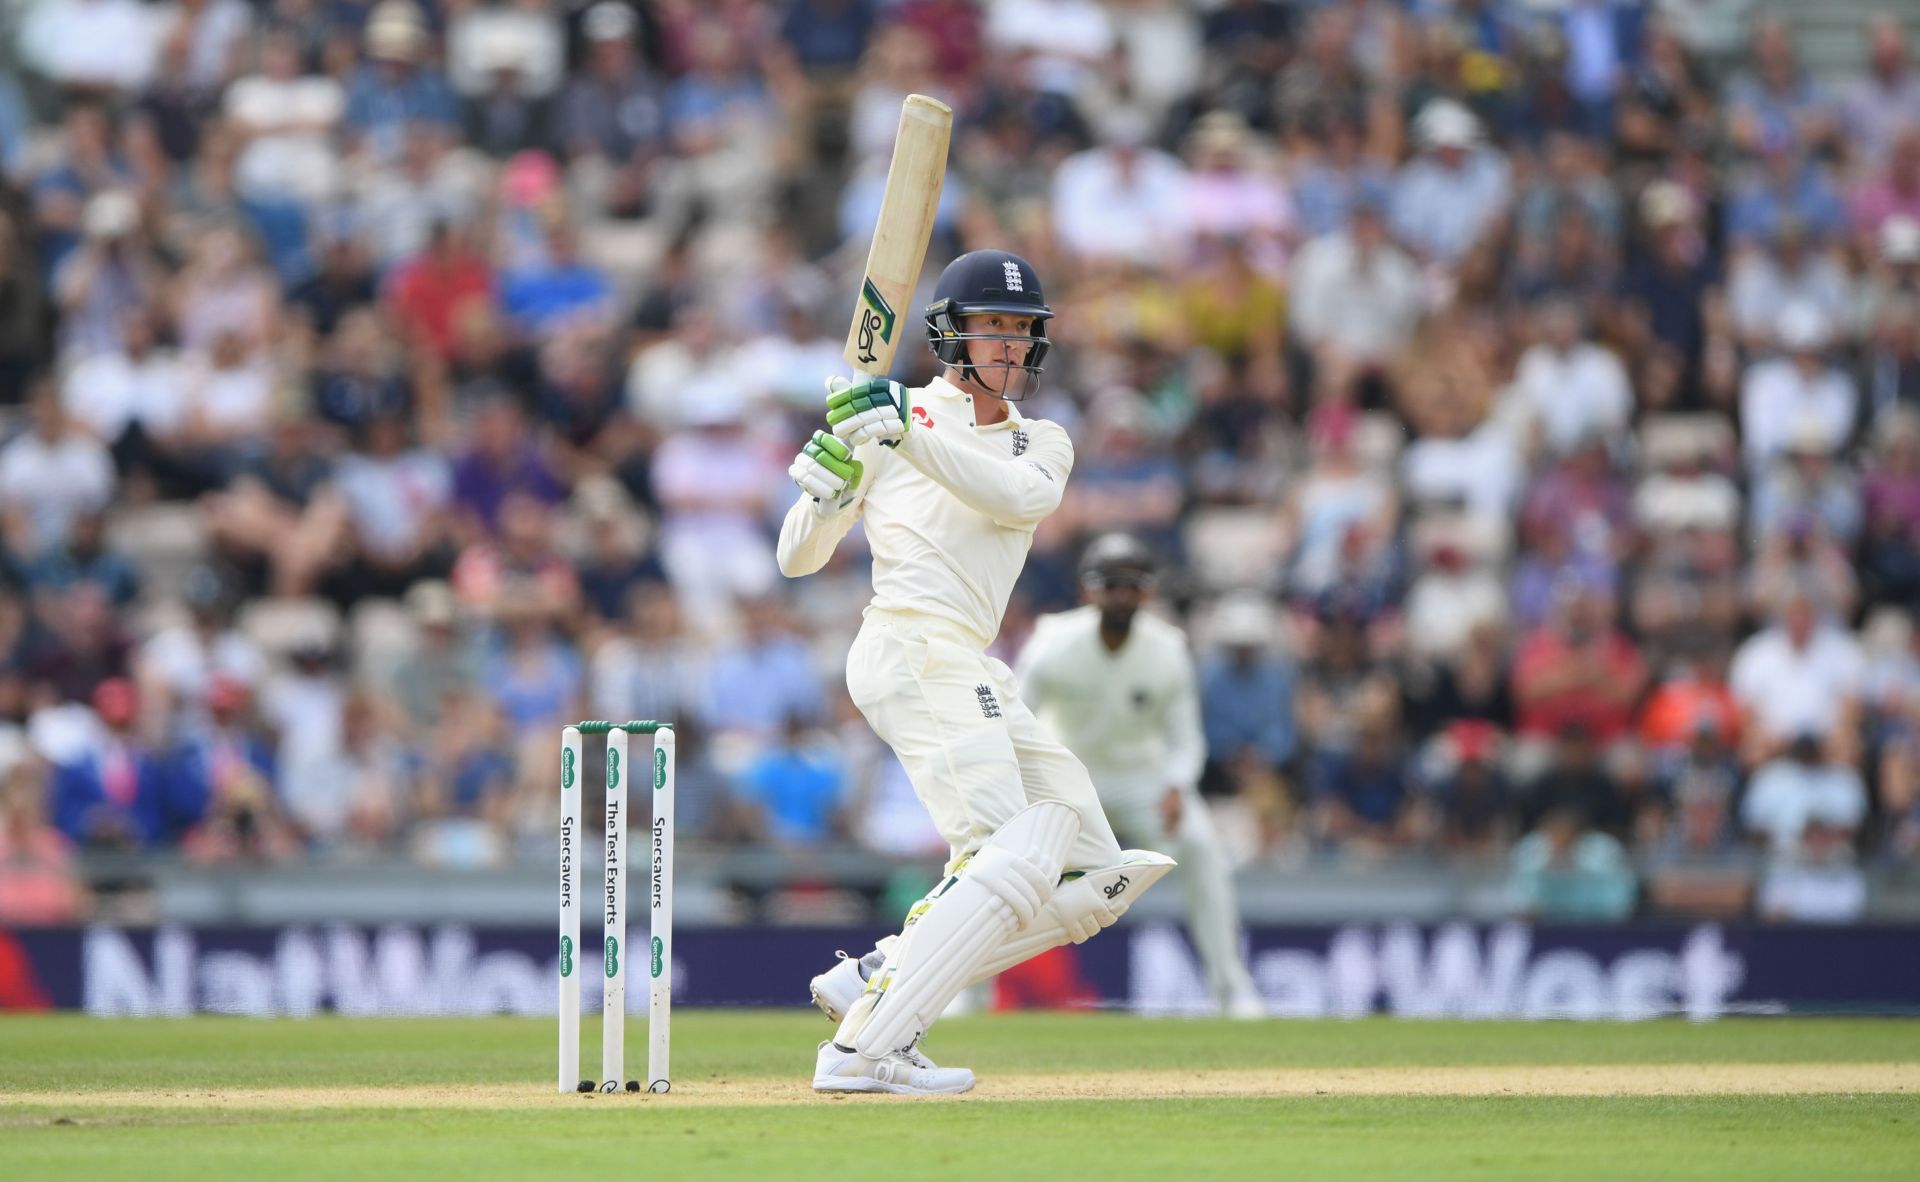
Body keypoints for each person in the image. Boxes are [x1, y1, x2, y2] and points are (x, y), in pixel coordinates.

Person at [776, 250, 1174, 1094]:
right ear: (953, 334)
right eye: (995, 326)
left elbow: (1018, 498)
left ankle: (882, 971)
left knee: (1090, 872)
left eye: (1024, 331)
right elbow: (796, 559)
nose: (1012, 345)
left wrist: (898, 431)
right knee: (1004, 851)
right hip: (911, 645)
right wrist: (823, 490)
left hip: (971, 660)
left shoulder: (1040, 439)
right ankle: (865, 1049)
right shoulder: (894, 415)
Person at [1015, 534, 1265, 1017]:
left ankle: (1231, 987)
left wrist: (1176, 786)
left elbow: (1185, 739)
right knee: (999, 853)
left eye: (1132, 586)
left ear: (1148, 592)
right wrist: (1026, 785)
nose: (1122, 595)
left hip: (1141, 780)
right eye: (1111, 585)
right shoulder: (1052, 642)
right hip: (1067, 775)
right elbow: (1016, 716)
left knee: (1199, 844)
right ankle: (968, 989)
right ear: (1089, 590)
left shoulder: (1167, 649)